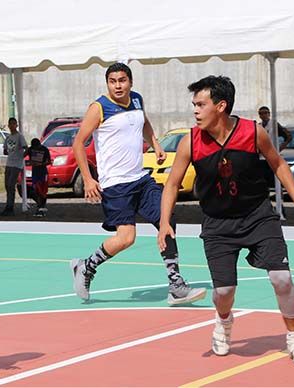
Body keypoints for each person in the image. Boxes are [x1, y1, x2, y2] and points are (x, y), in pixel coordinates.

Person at [158, 75, 294, 365]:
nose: (195, 111)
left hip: (258, 216)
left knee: (282, 278)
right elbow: (172, 184)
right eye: (194, 104)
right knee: (224, 292)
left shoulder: (252, 132)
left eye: (201, 104)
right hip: (217, 223)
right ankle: (223, 322)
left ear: (220, 106)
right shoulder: (190, 142)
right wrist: (164, 223)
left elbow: (278, 163)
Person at [70, 63, 207, 306]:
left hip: (141, 178)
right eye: (113, 81)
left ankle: (175, 285)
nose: (118, 85)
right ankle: (86, 267)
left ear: (130, 82)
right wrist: (89, 178)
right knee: (126, 238)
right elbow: (79, 142)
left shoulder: (136, 100)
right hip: (116, 184)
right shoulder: (99, 108)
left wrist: (155, 143)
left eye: (122, 80)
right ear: (108, 84)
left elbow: (143, 122)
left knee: (167, 218)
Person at [0, 117, 27, 216]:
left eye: (13, 124)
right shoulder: (8, 137)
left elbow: (26, 148)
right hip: (9, 163)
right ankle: (8, 205)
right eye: (10, 124)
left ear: (16, 125)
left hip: (16, 164)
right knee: (7, 185)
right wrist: (7, 151)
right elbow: (5, 149)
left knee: (11, 184)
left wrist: (22, 157)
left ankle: (10, 207)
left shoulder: (19, 136)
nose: (12, 126)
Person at [26, 137, 51, 216]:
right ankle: (39, 204)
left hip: (43, 172)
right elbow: (24, 155)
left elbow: (49, 161)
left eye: (37, 147)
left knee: (43, 191)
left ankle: (42, 206)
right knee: (35, 190)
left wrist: (41, 164)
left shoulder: (44, 150)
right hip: (35, 172)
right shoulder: (31, 149)